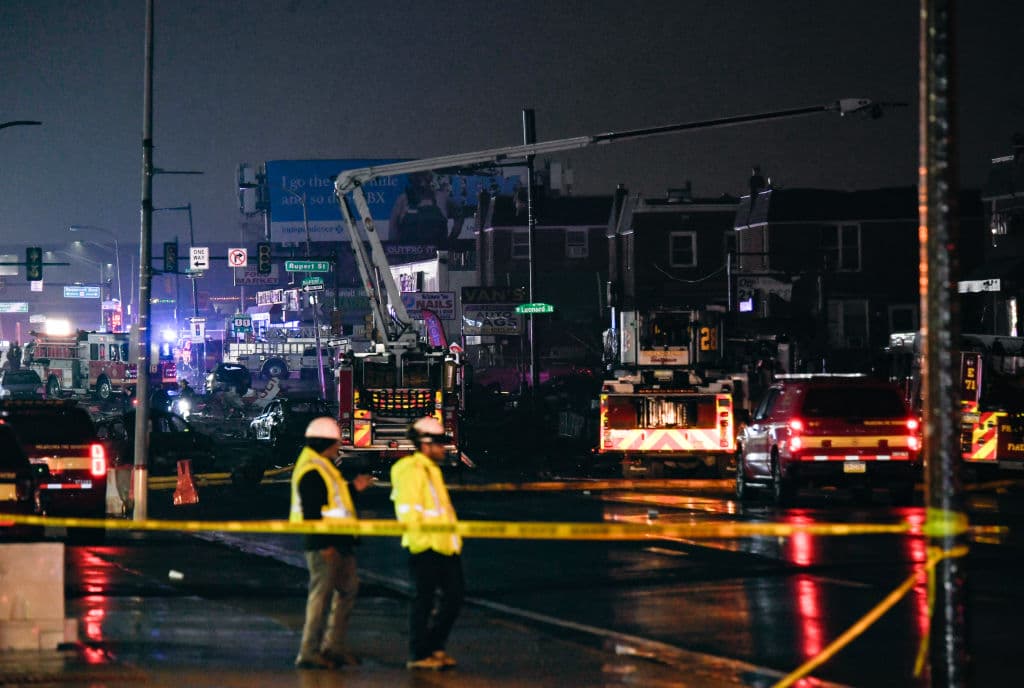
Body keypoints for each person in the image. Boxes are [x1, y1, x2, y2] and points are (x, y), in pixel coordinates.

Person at [291, 417, 372, 670]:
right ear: (327, 442)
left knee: (346, 591)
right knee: (321, 597)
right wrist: (324, 545)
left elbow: (333, 500)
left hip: (339, 543)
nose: (339, 445)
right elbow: (312, 512)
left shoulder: (323, 465)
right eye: (336, 441)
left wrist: (354, 489)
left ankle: (333, 648)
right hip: (325, 546)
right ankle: (309, 652)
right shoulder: (313, 469)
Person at [391, 417, 463, 670]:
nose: (444, 448)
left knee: (454, 598)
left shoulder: (431, 470)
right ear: (425, 444)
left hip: (444, 546)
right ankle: (419, 654)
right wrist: (424, 538)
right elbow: (408, 511)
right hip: (425, 546)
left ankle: (434, 647)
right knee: (424, 602)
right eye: (440, 443)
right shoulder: (409, 470)